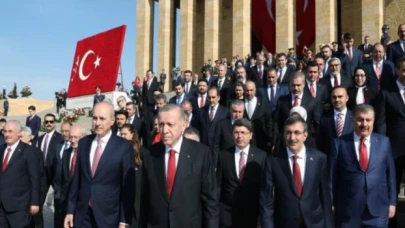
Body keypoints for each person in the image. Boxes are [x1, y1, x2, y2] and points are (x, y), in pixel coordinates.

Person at [142, 104, 219, 228]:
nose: (164, 130)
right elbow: (144, 198)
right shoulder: (149, 154)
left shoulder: (201, 153)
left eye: (170, 125)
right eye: (161, 124)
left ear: (184, 124)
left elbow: (210, 200)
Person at [64, 102, 135, 227]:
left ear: (112, 120)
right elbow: (77, 179)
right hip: (82, 215)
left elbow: (127, 188)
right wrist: (70, 210)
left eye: (102, 118)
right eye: (95, 118)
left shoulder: (124, 146)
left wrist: (124, 221)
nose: (97, 123)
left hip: (108, 217)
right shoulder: (84, 143)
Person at [329, 104, 397, 227]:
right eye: (360, 119)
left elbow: (390, 174)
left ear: (373, 121)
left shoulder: (384, 142)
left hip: (378, 210)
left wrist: (392, 202)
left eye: (368, 120)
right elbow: (332, 176)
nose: (364, 124)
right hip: (348, 211)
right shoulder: (339, 143)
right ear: (352, 119)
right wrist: (331, 202)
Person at [260, 116, 333, 228]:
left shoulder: (319, 158)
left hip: (315, 222)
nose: (292, 137)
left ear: (305, 135)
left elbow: (325, 197)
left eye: (297, 132)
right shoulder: (272, 161)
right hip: (285, 223)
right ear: (284, 135)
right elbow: (266, 201)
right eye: (288, 133)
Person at [217, 118, 266, 227]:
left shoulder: (261, 156)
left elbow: (263, 187)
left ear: (251, 135)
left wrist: (262, 215)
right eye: (236, 133)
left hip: (252, 214)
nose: (239, 136)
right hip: (227, 215)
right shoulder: (223, 156)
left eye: (243, 133)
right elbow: (218, 185)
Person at [375, 56, 405, 227]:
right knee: (391, 188)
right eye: (404, 69)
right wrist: (382, 147)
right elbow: (381, 122)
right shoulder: (386, 92)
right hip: (394, 149)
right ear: (397, 70)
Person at [0, 120, 41, 227]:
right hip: (1, 207)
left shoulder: (28, 151)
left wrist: (35, 202)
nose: (7, 134)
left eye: (10, 131)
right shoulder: (1, 149)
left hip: (19, 207)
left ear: (19, 133)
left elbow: (35, 178)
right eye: (5, 131)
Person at [119, 124, 148, 228]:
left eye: (125, 134)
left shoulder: (141, 150)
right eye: (121, 134)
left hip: (137, 186)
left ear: (132, 134)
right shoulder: (119, 149)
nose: (122, 136)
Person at [59, 125, 86, 228]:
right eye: (71, 137)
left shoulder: (87, 155)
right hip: (67, 201)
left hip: (82, 203)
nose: (73, 140)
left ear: (83, 137)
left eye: (76, 137)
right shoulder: (66, 153)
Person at [317, 87, 354, 155]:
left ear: (347, 98)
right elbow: (321, 143)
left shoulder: (355, 117)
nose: (337, 99)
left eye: (340, 97)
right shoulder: (324, 119)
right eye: (334, 97)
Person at [54, 122, 72, 228]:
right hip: (58, 188)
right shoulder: (59, 145)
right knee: (58, 215)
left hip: (69, 188)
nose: (64, 133)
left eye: (67, 131)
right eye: (62, 131)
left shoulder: (78, 146)